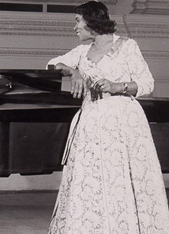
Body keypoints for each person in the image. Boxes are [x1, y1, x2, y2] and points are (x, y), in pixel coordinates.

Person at [46, 1, 169, 233]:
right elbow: (51, 64)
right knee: (91, 178)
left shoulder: (126, 46)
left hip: (123, 122)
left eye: (77, 21)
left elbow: (146, 83)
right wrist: (74, 71)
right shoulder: (81, 52)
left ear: (92, 20)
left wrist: (116, 86)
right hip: (90, 122)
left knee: (119, 176)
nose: (75, 27)